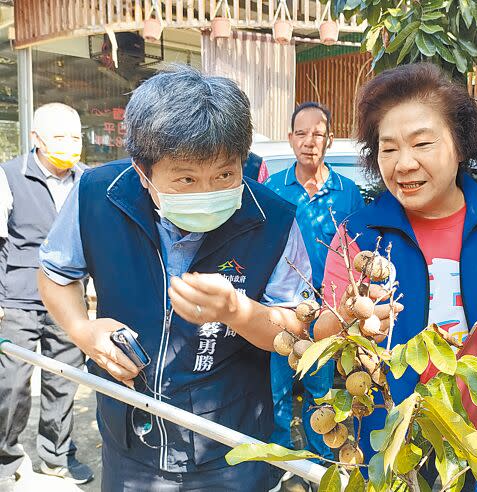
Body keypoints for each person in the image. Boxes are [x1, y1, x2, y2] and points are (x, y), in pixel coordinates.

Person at [37, 66, 315, 492]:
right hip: (131, 439)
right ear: (143, 172)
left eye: (225, 174)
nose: (207, 191)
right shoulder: (98, 195)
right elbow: (56, 275)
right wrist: (81, 328)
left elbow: (296, 328)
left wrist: (238, 313)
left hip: (232, 447)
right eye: (186, 178)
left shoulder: (273, 219)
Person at [313, 63, 477, 491]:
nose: (404, 164)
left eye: (422, 143)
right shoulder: (358, 235)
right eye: (388, 149)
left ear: (460, 146)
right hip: (393, 449)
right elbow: (321, 331)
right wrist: (348, 314)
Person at [264, 102, 364, 490]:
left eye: (318, 134)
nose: (309, 142)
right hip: (282, 307)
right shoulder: (273, 189)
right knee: (278, 387)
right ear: (290, 139)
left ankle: (320, 464)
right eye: (301, 134)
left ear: (330, 140)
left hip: (328, 310)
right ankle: (283, 460)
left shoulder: (348, 193)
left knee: (321, 389)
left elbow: (357, 252)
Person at [0, 103, 92, 490]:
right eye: (58, 136)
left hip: (69, 297)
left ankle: (57, 454)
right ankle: (6, 456)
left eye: (74, 136)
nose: (69, 144)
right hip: (17, 298)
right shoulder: (8, 176)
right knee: (11, 382)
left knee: (65, 379)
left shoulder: (88, 180)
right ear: (36, 139)